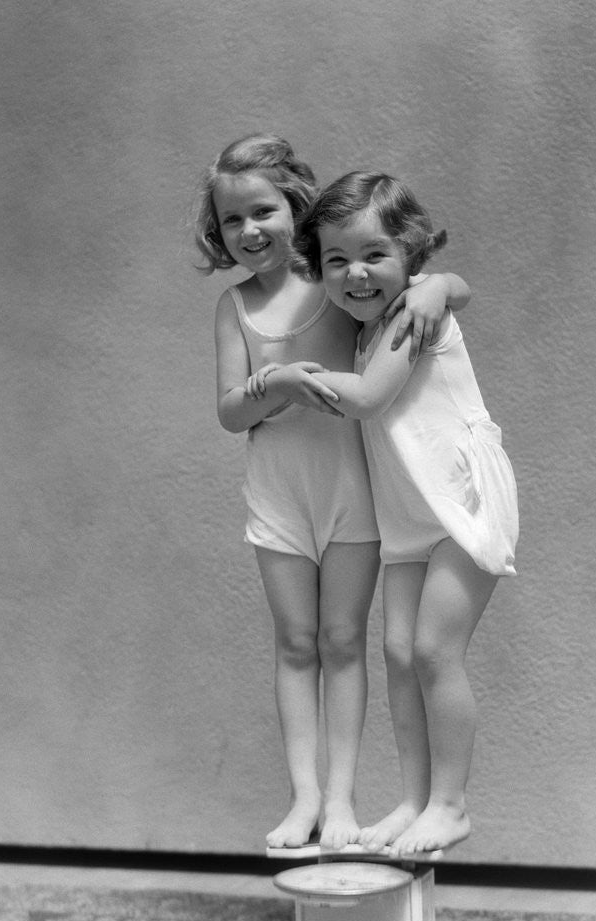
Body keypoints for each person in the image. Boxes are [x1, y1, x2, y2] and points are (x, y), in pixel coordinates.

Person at [194, 136, 471, 851]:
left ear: (296, 207)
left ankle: (344, 801)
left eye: (264, 210)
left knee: (343, 640)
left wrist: (441, 285)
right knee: (294, 643)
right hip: (279, 492)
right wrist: (273, 383)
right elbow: (230, 413)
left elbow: (426, 289)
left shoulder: (338, 284)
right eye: (232, 221)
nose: (251, 230)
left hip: (351, 489)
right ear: (218, 232)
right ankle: (305, 799)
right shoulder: (235, 308)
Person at [249, 171, 518, 857]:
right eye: (336, 261)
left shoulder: (412, 316)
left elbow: (367, 399)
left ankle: (450, 804)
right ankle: (414, 799)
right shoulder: (367, 327)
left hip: (458, 501)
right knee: (398, 655)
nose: (355, 274)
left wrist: (283, 379)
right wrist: (441, 281)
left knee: (432, 649)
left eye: (373, 256)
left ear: (409, 254)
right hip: (407, 514)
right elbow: (448, 283)